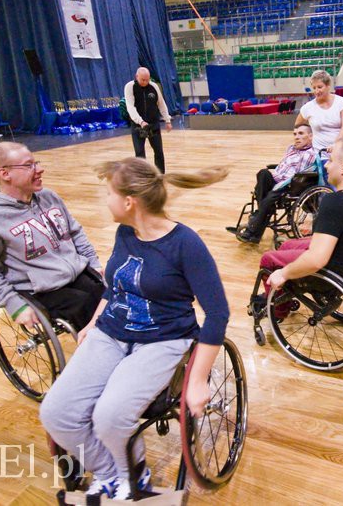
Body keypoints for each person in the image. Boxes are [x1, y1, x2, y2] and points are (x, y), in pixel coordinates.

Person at [40, 158, 229, 501]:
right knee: (56, 413)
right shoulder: (126, 232)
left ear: (129, 202)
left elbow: (217, 313)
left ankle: (133, 474)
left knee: (110, 417)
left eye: (108, 193)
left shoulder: (186, 244)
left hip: (163, 339)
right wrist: (94, 321)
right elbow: (116, 286)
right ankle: (110, 473)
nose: (106, 200)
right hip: (111, 332)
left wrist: (199, 379)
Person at [0, 142, 104, 332]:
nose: (40, 169)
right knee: (94, 316)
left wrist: (93, 262)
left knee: (111, 296)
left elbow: (75, 232)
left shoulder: (49, 197)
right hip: (41, 291)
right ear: (5, 174)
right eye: (29, 165)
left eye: (36, 163)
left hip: (75, 273)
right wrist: (14, 305)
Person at [261, 136, 343, 297]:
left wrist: (284, 273)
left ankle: (279, 307)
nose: (326, 165)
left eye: (330, 161)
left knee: (268, 259)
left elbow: (317, 260)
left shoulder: (334, 202)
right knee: (286, 246)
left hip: (334, 275)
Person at [235, 124, 318, 244]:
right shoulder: (291, 148)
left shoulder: (310, 154)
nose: (296, 137)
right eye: (295, 134)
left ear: (310, 136)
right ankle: (265, 211)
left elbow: (299, 175)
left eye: (301, 133)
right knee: (263, 173)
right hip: (276, 180)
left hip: (289, 185)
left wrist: (281, 184)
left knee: (268, 198)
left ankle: (253, 229)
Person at [124, 67, 172, 173]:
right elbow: (130, 107)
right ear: (137, 77)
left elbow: (161, 104)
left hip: (153, 124)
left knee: (159, 152)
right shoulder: (130, 87)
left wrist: (167, 120)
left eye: (147, 80)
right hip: (138, 125)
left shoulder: (154, 86)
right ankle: (142, 176)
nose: (145, 82)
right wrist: (140, 121)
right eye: (143, 80)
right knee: (139, 153)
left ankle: (160, 175)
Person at [295, 70, 343, 153]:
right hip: (317, 153)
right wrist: (306, 142)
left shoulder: (341, 102)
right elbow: (297, 127)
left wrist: (336, 144)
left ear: (328, 86)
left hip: (339, 150)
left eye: (320, 87)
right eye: (314, 88)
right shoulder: (308, 107)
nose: (316, 91)